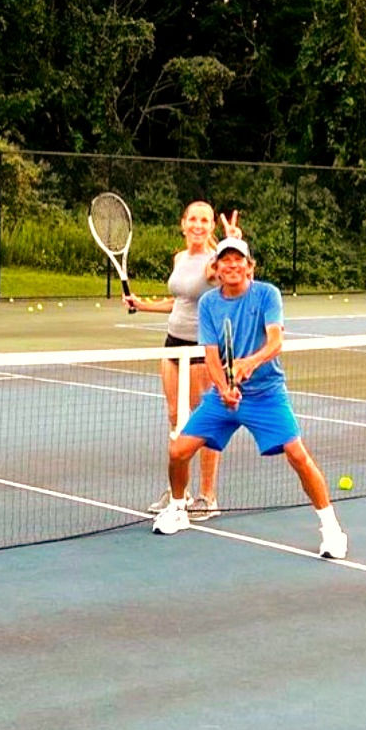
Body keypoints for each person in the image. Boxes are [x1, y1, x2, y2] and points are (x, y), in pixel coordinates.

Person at [151, 237, 348, 559]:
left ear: (249, 266)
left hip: (266, 394)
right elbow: (211, 355)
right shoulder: (209, 303)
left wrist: (249, 363)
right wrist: (224, 388)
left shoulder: (267, 294)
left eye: (238, 259)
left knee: (298, 455)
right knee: (178, 451)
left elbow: (275, 342)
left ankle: (332, 529)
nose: (232, 265)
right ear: (216, 269)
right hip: (223, 397)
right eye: (225, 260)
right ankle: (177, 508)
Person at [125, 201, 242, 521]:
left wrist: (234, 242)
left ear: (212, 227)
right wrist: (143, 305)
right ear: (183, 223)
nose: (198, 225)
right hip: (172, 345)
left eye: (205, 220)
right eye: (193, 219)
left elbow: (239, 275)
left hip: (202, 349)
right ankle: (179, 492)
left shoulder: (215, 262)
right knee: (176, 418)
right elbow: (179, 300)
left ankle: (207, 496)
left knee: (204, 421)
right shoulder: (179, 258)